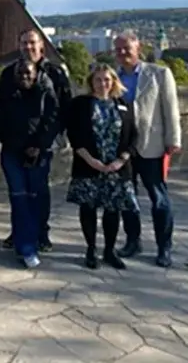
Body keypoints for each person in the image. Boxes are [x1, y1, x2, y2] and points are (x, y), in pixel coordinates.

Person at [0, 29, 72, 253]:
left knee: (39, 191)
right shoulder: (9, 73)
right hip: (14, 144)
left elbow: (61, 110)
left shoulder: (55, 73)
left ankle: (41, 232)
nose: (28, 47)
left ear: (41, 46)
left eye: (32, 43)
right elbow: (0, 109)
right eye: (24, 43)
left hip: (43, 144)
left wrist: (42, 143)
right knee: (17, 192)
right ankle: (19, 231)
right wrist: (8, 140)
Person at [113, 30, 181, 267]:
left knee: (159, 200)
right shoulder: (113, 77)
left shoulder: (160, 74)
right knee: (127, 199)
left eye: (126, 48)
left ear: (138, 48)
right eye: (118, 49)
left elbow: (170, 109)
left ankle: (164, 247)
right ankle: (133, 241)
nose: (122, 53)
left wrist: (173, 139)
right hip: (123, 150)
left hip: (152, 146)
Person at [66, 64, 138, 270]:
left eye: (107, 79)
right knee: (88, 208)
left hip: (116, 167)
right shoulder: (80, 104)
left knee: (112, 210)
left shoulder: (124, 104)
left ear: (114, 82)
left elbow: (134, 135)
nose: (102, 84)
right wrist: (91, 160)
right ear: (91, 82)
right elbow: (74, 134)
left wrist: (121, 160)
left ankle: (109, 250)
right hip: (89, 164)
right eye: (98, 80)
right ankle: (91, 249)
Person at [0, 60, 58, 269]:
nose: (24, 77)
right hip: (13, 153)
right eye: (20, 73)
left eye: (28, 73)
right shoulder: (8, 95)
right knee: (19, 198)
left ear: (36, 74)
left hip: (38, 154)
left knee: (34, 199)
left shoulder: (45, 93)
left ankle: (29, 240)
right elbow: (0, 123)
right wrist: (17, 146)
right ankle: (26, 247)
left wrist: (38, 146)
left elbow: (51, 121)